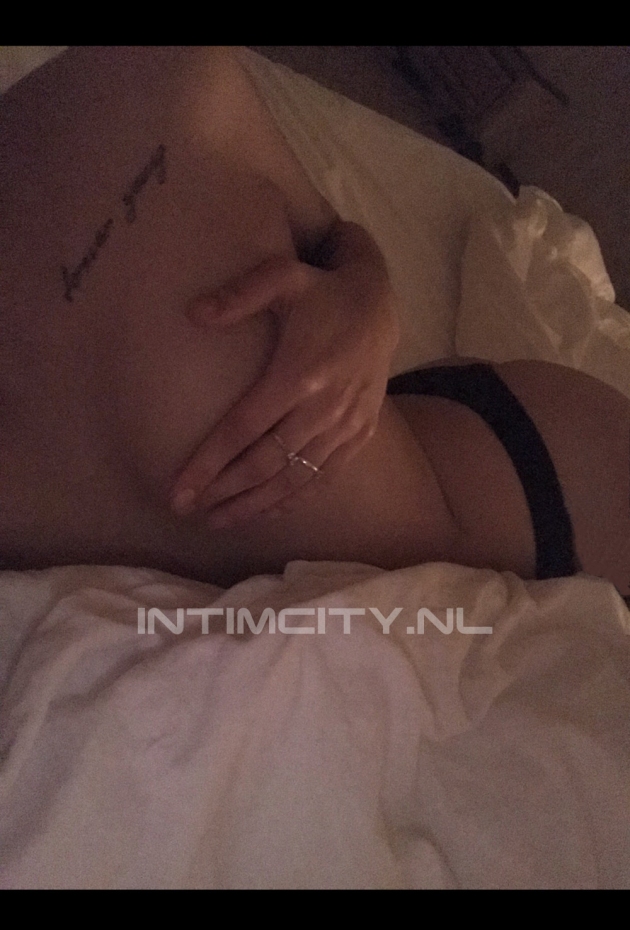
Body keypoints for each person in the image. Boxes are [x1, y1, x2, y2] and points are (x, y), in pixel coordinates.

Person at [1, 46, 628, 595]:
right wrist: (368, 291)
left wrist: (363, 287)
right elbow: (329, 230)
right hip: (502, 469)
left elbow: (321, 225)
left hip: (515, 494)